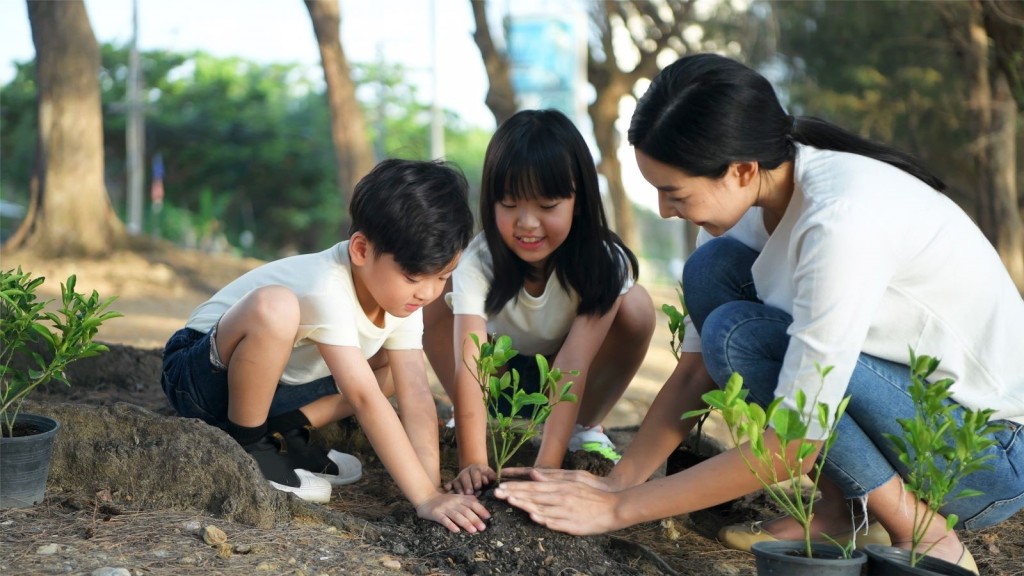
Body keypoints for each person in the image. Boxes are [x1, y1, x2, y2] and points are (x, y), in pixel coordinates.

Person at [494, 53, 1024, 573]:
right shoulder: (747, 206)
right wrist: (620, 481)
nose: (662, 208)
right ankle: (843, 511)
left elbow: (794, 440)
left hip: (983, 460)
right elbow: (695, 372)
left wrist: (615, 512)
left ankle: (924, 531)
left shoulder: (840, 221)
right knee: (710, 271)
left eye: (672, 191)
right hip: (910, 417)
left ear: (742, 169)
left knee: (740, 335)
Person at [162, 158, 491, 533]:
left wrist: (430, 488)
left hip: (270, 390)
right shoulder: (325, 284)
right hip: (201, 375)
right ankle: (252, 446)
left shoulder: (403, 298)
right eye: (415, 276)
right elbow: (363, 397)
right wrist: (424, 499)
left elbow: (415, 393)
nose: (429, 292)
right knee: (277, 307)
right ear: (362, 250)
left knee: (393, 371)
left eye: (443, 277)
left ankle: (284, 430)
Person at [423, 109, 656, 495]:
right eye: (509, 204)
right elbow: (471, 362)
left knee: (637, 308)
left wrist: (547, 466)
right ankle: (474, 422)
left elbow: (571, 366)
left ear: (578, 201)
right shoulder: (478, 261)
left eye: (547, 206)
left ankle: (586, 426)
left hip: (565, 376)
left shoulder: (604, 263)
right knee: (434, 298)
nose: (527, 223)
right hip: (498, 373)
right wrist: (473, 461)